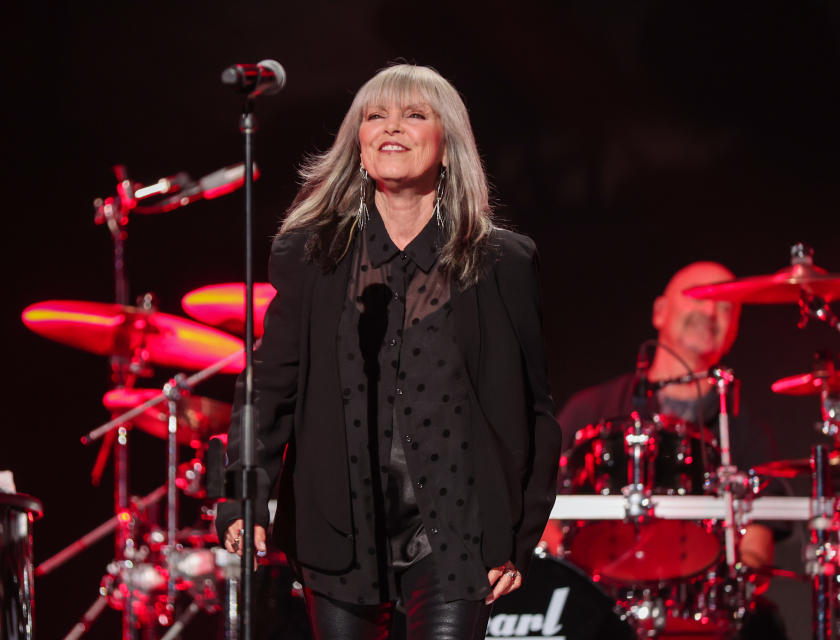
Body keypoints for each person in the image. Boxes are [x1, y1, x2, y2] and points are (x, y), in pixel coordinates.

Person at [215, 63, 561, 640]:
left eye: (414, 114)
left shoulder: (503, 262)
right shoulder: (311, 256)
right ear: (359, 143)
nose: (391, 127)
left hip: (458, 529)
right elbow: (270, 387)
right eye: (375, 116)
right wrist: (240, 501)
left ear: (448, 145)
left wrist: (517, 540)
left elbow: (535, 412)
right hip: (339, 526)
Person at [547, 261, 788, 639]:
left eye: (725, 306)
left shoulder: (747, 436)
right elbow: (540, 513)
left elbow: (756, 552)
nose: (710, 311)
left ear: (735, 328)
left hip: (698, 624)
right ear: (659, 311)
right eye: (698, 297)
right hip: (592, 615)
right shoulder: (590, 410)